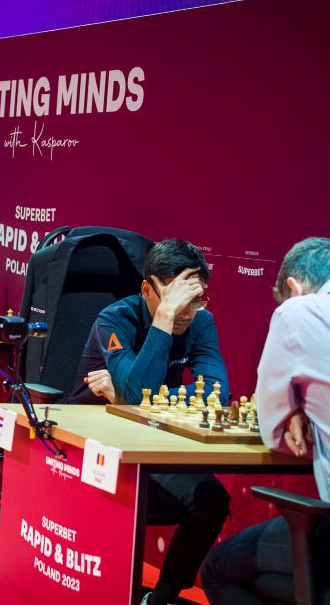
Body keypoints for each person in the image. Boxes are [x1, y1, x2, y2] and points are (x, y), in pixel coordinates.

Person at [200, 237, 330, 603]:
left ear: (294, 288)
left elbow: (274, 432)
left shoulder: (298, 312)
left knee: (217, 570)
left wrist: (295, 412)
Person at [71, 238, 231, 605]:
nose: (186, 312)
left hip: (148, 442)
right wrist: (163, 320)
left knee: (210, 497)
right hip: (91, 445)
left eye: (195, 299)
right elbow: (137, 392)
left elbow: (217, 394)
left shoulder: (202, 322)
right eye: (175, 299)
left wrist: (138, 397)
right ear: (147, 290)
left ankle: (162, 598)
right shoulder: (114, 319)